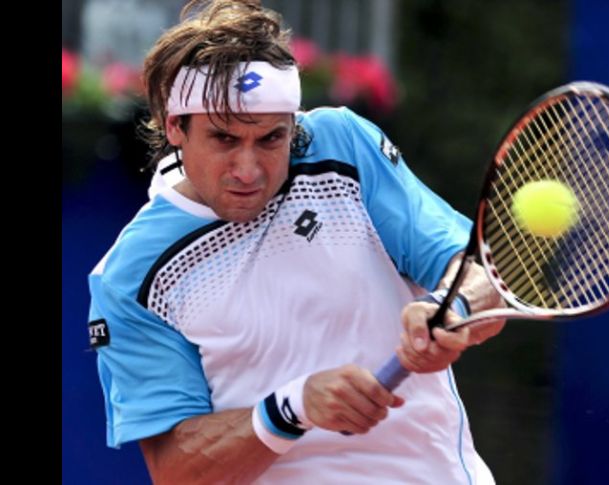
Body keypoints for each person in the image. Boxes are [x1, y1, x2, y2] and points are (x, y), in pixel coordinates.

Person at [87, 0, 506, 482]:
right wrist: (290, 408)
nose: (248, 170)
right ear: (174, 126)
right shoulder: (130, 276)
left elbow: (478, 271)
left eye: (271, 139)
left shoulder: (342, 146)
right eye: (224, 139)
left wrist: (453, 308)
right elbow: (176, 470)